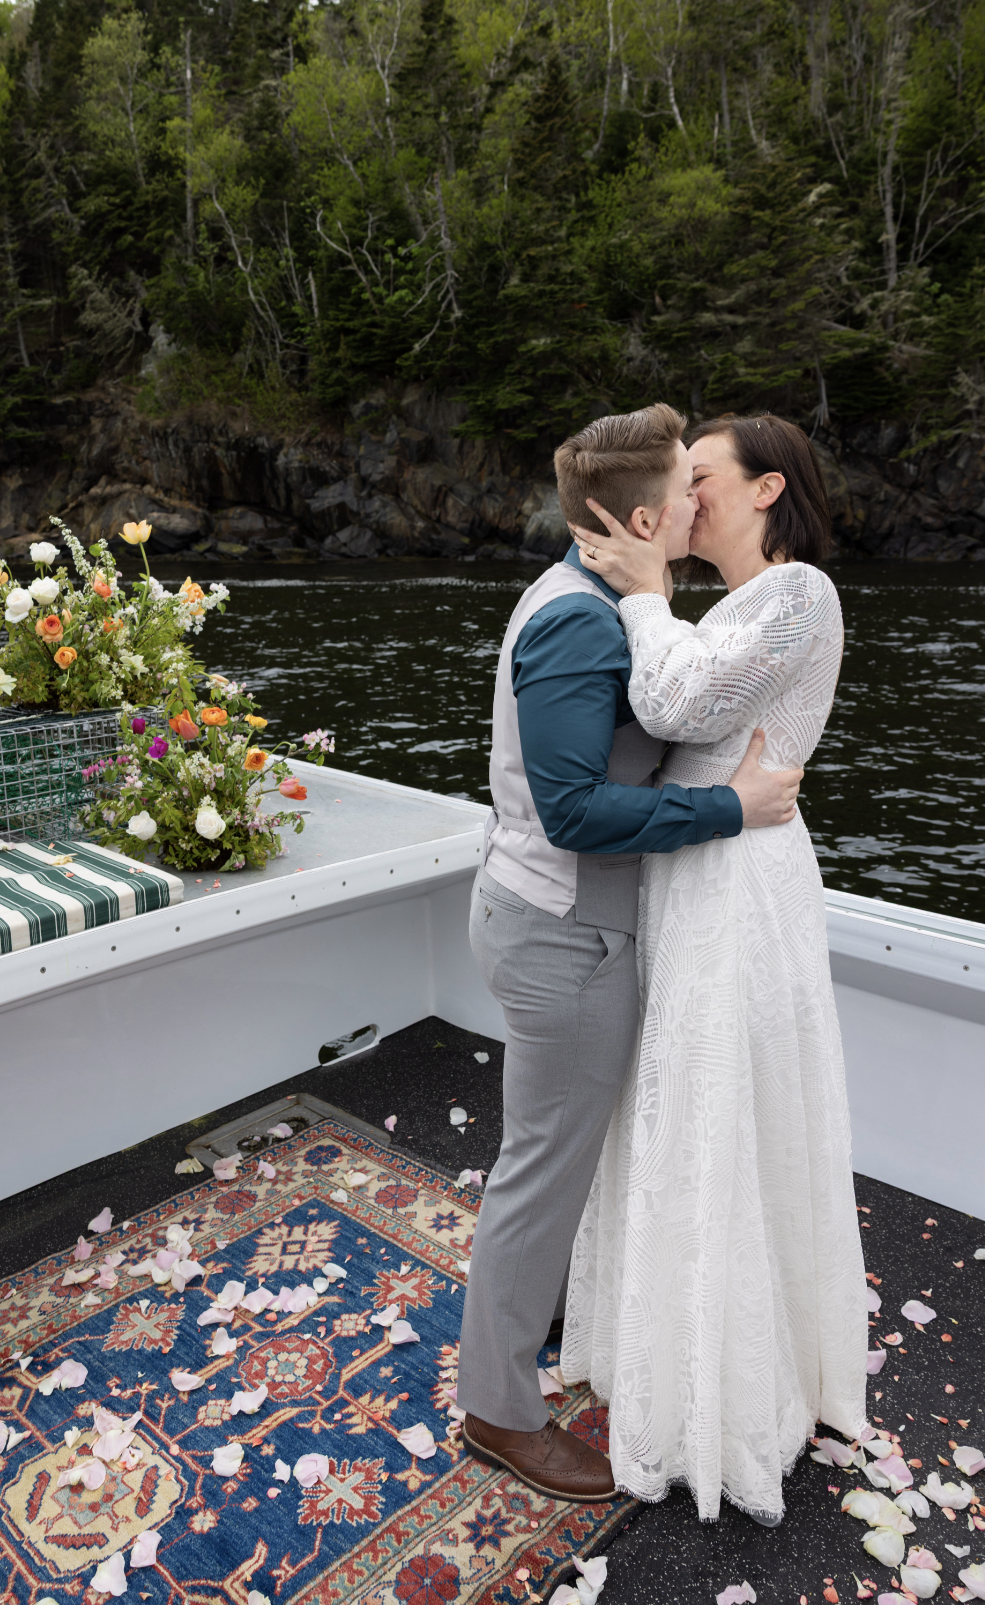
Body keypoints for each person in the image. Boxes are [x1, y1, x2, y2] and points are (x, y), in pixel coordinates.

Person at [457, 404, 804, 1504]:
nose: (703, 503)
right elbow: (571, 812)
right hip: (566, 933)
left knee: (558, 1155)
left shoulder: (609, 603)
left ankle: (542, 1326)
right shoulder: (582, 621)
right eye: (689, 490)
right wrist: (726, 806)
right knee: (540, 1171)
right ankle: (499, 1412)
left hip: (560, 922)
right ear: (649, 515)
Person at [559, 412, 867, 1524]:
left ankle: (727, 1393)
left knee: (719, 1112)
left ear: (765, 490)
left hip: (738, 888)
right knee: (681, 1109)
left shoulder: (797, 596)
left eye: (699, 480)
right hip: (700, 866)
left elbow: (673, 705)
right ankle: (670, 1353)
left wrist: (643, 590)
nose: (680, 501)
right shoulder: (733, 605)